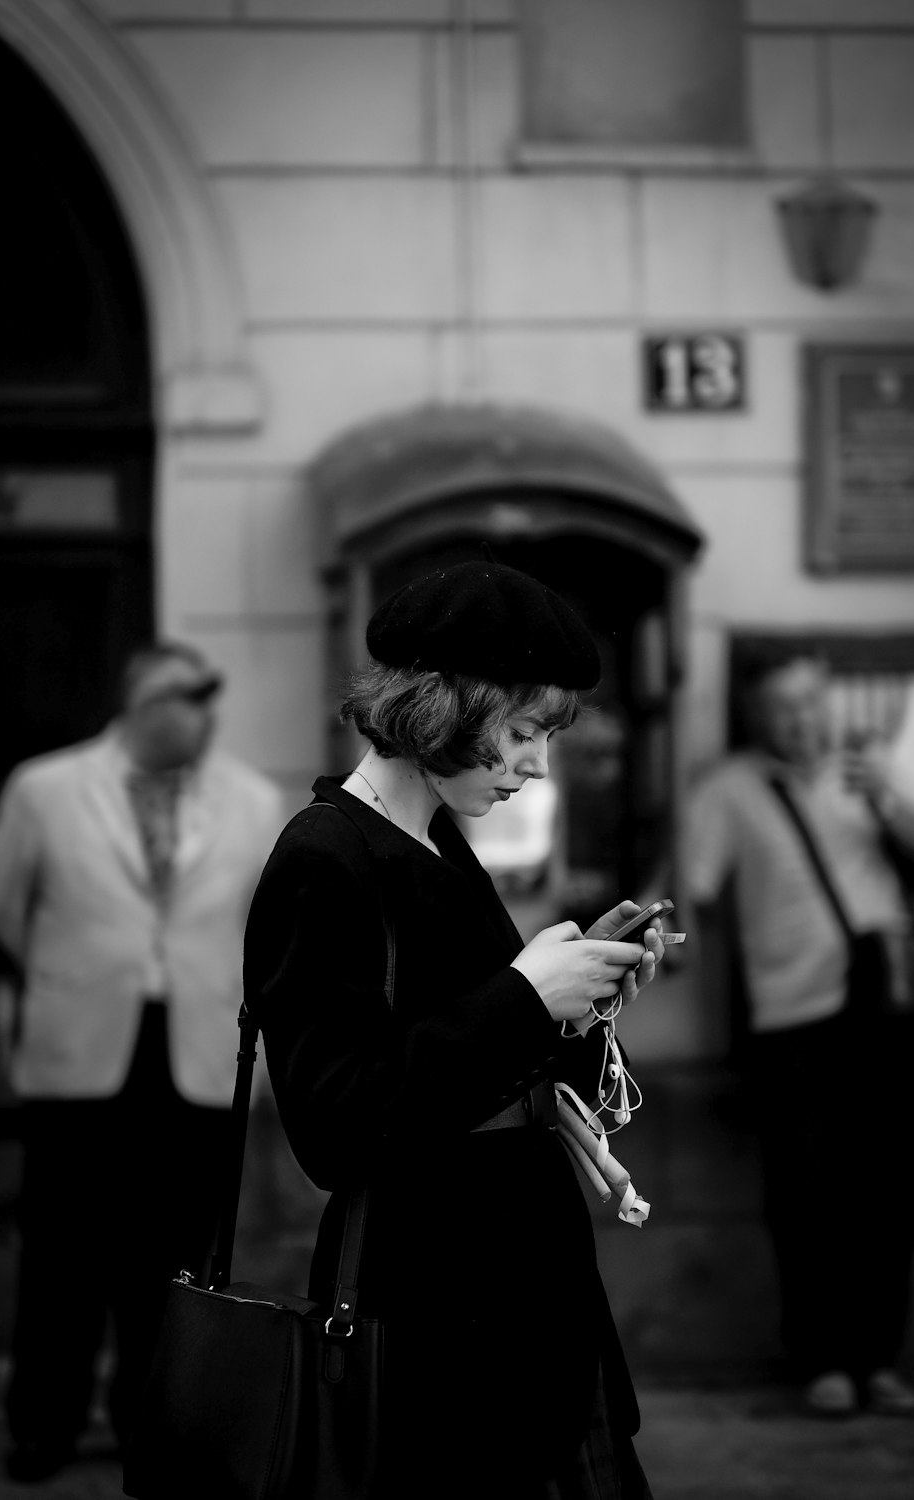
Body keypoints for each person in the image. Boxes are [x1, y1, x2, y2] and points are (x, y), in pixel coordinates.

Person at [243, 559, 666, 1500]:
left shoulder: (435, 835)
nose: (537, 765)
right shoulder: (327, 855)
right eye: (522, 733)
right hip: (439, 1306)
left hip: (527, 1292)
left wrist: (581, 993)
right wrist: (524, 994)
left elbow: (484, 1053)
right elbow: (334, 1124)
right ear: (445, 710)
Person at [0, 641, 283, 1482]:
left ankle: (156, 1426)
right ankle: (42, 1424)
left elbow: (267, 927)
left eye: (207, 702)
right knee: (62, 1255)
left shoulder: (253, 802)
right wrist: (77, 972)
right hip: (81, 1053)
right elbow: (5, 907)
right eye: (187, 700)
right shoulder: (45, 788)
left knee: (177, 1257)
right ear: (143, 703)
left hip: (196, 1057)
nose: (204, 718)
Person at [684, 652, 914, 1419]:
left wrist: (890, 807)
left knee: (896, 1187)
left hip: (885, 1009)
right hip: (791, 1018)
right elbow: (691, 889)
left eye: (810, 702)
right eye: (782, 707)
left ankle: (879, 1359)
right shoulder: (729, 791)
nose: (801, 719)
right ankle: (825, 1361)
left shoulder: (869, 769)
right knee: (807, 1193)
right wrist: (651, 940)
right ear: (758, 716)